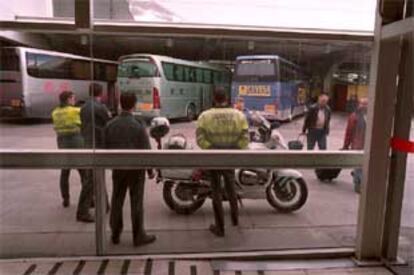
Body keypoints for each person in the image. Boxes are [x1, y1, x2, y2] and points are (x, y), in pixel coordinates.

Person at [196, 87, 249, 237]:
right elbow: (245, 139)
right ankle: (235, 220)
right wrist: (233, 149)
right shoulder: (239, 116)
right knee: (231, 189)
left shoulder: (204, 116)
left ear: (214, 98)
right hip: (230, 158)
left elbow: (200, 140)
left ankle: (220, 227)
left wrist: (212, 149)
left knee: (216, 192)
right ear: (226, 98)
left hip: (213, 159)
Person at [104, 92, 156, 246]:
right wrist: (150, 170)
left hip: (118, 169)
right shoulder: (138, 125)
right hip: (136, 170)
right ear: (134, 105)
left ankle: (115, 233)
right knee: (136, 202)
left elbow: (105, 148)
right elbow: (145, 150)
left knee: (117, 200)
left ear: (120, 104)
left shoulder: (110, 125)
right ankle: (138, 235)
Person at [51, 91, 94, 223]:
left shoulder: (55, 112)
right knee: (84, 172)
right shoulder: (75, 111)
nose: (74, 100)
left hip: (62, 142)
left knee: (65, 171)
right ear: (68, 99)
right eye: (73, 98)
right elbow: (82, 124)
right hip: (76, 141)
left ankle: (66, 199)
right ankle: (89, 200)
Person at [80, 83, 111, 209]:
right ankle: (82, 210)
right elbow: (108, 124)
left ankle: (105, 203)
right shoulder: (100, 108)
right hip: (97, 144)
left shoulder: (84, 107)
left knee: (96, 176)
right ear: (101, 93)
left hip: (86, 142)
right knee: (92, 180)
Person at [343, 97, 368, 193]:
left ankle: (358, 180)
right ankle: (359, 185)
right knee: (359, 166)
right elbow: (349, 132)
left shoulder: (372, 116)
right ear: (359, 104)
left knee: (362, 166)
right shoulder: (354, 116)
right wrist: (346, 145)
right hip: (357, 145)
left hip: (368, 145)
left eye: (366, 104)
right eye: (362, 103)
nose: (364, 106)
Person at [80, 83, 111, 149]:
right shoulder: (101, 107)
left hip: (86, 138)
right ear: (101, 93)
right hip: (97, 139)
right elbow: (107, 122)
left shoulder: (83, 106)